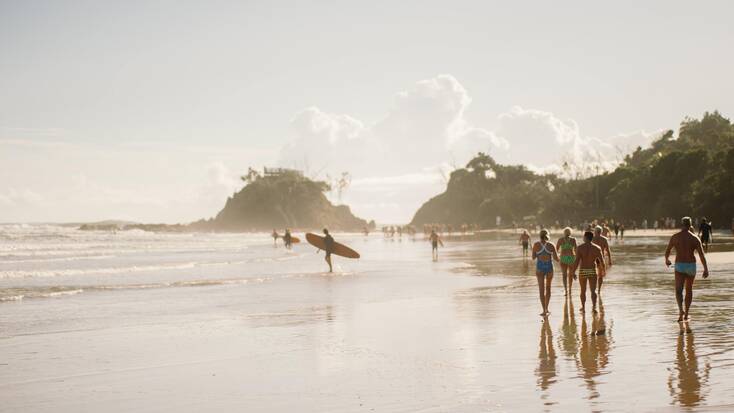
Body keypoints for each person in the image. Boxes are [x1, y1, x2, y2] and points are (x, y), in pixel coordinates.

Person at [665, 217, 709, 322]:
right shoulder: (695, 238)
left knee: (678, 290)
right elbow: (702, 255)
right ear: (690, 225)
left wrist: (667, 260)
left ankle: (681, 311)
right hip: (690, 266)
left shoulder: (675, 237)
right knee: (689, 290)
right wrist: (706, 269)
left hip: (679, 265)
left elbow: (667, 251)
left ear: (682, 224)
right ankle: (687, 314)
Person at [571, 231, 605, 313]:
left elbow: (576, 261)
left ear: (585, 238)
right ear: (592, 238)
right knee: (593, 291)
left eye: (583, 236)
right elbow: (602, 261)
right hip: (592, 270)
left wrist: (573, 272)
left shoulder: (580, 248)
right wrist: (603, 271)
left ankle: (583, 307)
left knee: (583, 290)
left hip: (583, 271)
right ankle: (594, 307)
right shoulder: (597, 248)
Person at [532, 229, 559, 316]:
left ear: (540, 235)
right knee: (548, 288)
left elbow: (533, 257)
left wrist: (537, 253)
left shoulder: (536, 245)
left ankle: (543, 310)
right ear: (547, 235)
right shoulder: (551, 245)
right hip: (549, 267)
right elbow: (556, 259)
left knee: (541, 289)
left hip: (540, 267)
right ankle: (547, 308)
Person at [556, 227, 578, 297]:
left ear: (564, 233)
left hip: (563, 258)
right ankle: (570, 290)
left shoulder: (560, 240)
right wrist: (578, 259)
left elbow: (555, 250)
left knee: (564, 275)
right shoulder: (573, 240)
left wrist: (557, 258)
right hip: (571, 258)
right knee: (570, 275)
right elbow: (577, 250)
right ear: (570, 233)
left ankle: (566, 290)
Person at [592, 226, 613, 294]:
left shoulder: (591, 238)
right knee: (600, 275)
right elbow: (608, 250)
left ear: (595, 231)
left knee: (594, 274)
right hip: (601, 259)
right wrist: (610, 259)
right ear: (601, 232)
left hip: (592, 259)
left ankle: (594, 288)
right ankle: (599, 290)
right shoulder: (604, 239)